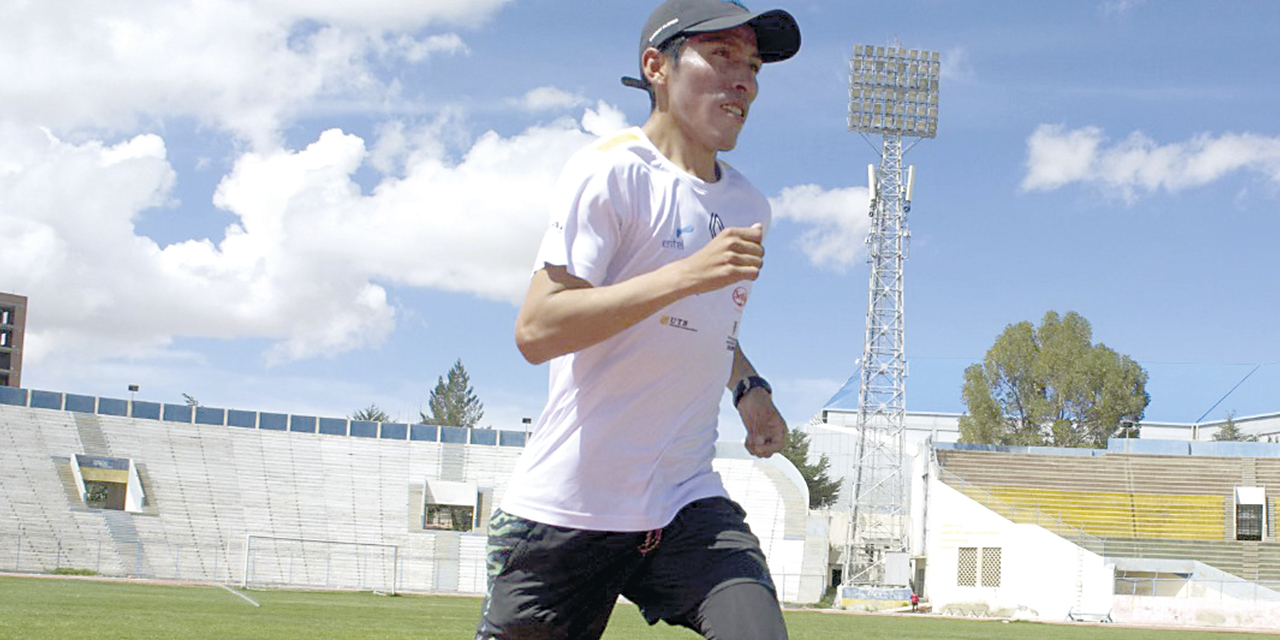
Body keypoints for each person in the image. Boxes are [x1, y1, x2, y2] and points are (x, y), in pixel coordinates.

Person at [475, 1, 800, 638]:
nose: (746, 81)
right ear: (657, 66)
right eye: (724, 56)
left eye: (754, 66)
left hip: (684, 500)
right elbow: (538, 329)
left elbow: (705, 325)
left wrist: (749, 390)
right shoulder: (611, 171)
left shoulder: (747, 202)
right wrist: (687, 273)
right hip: (570, 509)